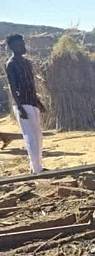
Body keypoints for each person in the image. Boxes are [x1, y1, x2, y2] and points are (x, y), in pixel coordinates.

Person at [5, 34, 46, 173]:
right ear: (12, 47)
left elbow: (31, 84)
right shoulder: (11, 64)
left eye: (23, 44)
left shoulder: (27, 63)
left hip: (32, 101)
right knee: (30, 136)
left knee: (38, 136)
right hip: (22, 103)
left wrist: (38, 101)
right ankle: (36, 169)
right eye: (20, 45)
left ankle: (36, 166)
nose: (23, 47)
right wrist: (20, 107)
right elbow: (12, 86)